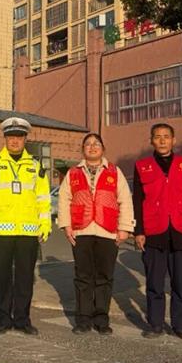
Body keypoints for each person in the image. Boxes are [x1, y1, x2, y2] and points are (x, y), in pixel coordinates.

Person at [0, 117, 51, 335]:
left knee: (25, 278)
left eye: (19, 137)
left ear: (25, 139)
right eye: (11, 137)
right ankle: (2, 319)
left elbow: (43, 198)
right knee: (1, 278)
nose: (15, 141)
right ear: (5, 138)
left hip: (28, 232)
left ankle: (22, 320)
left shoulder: (35, 166)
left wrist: (45, 224)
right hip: (1, 232)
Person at [133, 124, 182, 340]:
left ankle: (180, 326)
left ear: (173, 140)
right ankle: (155, 324)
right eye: (158, 137)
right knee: (155, 283)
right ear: (151, 141)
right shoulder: (142, 166)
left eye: (166, 136)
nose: (162, 140)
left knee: (181, 283)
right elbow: (137, 200)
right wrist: (138, 231)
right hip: (154, 230)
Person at [57, 133, 134, 336]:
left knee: (104, 277)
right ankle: (83, 319)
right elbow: (64, 200)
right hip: (80, 231)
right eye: (88, 144)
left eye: (96, 144)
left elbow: (125, 200)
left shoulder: (114, 171)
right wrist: (66, 226)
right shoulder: (73, 173)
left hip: (107, 231)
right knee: (83, 277)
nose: (92, 147)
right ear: (83, 149)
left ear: (103, 148)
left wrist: (124, 228)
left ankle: (101, 319)